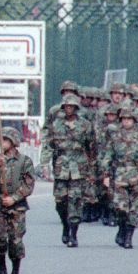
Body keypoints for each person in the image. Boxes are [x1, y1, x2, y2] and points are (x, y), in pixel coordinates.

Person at [0, 128, 35, 274]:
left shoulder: (24, 161)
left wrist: (14, 198)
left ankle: (15, 272)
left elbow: (29, 184)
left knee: (16, 240)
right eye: (0, 140)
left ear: (13, 142)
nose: (2, 143)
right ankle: (2, 269)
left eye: (5, 140)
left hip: (17, 206)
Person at [101, 102, 138, 249]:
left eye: (129, 119)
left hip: (137, 177)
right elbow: (107, 157)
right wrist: (106, 175)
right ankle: (122, 229)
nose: (126, 121)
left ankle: (128, 237)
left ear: (134, 120)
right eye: (124, 119)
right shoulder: (115, 137)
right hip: (120, 177)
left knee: (134, 209)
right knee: (121, 208)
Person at [45, 95, 93, 247]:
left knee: (75, 200)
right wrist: (44, 164)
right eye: (66, 106)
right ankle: (65, 225)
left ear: (76, 108)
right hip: (61, 167)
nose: (69, 109)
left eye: (71, 106)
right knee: (60, 201)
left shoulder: (85, 125)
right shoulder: (56, 125)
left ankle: (73, 233)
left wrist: (92, 168)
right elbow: (48, 145)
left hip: (79, 167)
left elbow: (92, 146)